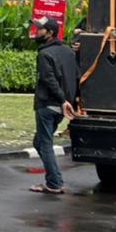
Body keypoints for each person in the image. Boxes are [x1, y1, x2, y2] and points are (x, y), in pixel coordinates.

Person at [31, 16, 78, 195]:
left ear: (49, 33)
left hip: (49, 105)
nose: (37, 32)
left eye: (40, 29)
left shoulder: (44, 54)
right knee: (39, 142)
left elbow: (49, 79)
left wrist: (62, 100)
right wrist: (69, 101)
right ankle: (54, 178)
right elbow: (76, 76)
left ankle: (54, 182)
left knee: (44, 144)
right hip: (61, 106)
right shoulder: (68, 52)